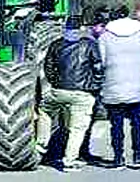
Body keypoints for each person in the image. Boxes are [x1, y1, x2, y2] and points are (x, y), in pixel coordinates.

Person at [97, 7, 140, 168]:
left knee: (116, 124)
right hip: (137, 85)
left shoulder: (105, 36)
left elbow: (101, 60)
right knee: (137, 123)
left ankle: (118, 157)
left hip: (113, 85)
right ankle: (137, 156)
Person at [39, 22, 102, 171]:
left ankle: (41, 144)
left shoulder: (56, 44)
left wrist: (55, 82)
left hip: (58, 91)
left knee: (44, 111)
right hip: (82, 93)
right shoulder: (89, 45)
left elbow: (48, 66)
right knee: (77, 128)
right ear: (81, 30)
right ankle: (69, 160)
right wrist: (95, 86)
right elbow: (98, 67)